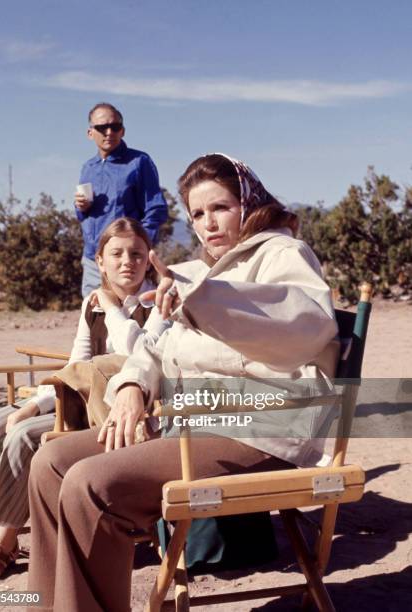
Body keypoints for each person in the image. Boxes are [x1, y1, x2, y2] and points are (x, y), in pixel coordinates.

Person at [27, 154, 340, 612]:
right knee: (51, 462)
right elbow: (156, 348)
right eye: (197, 213)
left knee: (91, 484)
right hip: (192, 421)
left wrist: (204, 300)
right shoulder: (208, 267)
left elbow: (304, 325)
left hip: (258, 429)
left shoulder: (283, 254)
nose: (208, 223)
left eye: (220, 207)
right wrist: (132, 387)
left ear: (248, 202)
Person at [0, 218, 169, 585]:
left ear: (148, 259)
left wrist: (113, 307)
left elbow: (141, 355)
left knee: (24, 436)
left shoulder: (156, 302)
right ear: (100, 261)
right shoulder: (90, 305)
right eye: (117, 254)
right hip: (77, 398)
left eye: (137, 254)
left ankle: (7, 540)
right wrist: (36, 404)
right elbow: (74, 366)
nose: (128, 262)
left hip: (117, 411)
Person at [75, 102, 168, 297]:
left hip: (126, 262)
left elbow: (156, 209)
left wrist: (139, 249)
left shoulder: (139, 162)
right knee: (95, 320)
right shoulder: (88, 168)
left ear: (122, 131)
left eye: (115, 127)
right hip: (94, 261)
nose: (109, 132)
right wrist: (81, 207)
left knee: (132, 321)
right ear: (90, 133)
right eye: (102, 127)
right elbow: (84, 216)